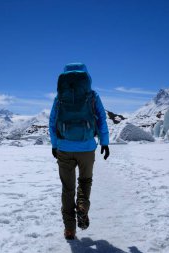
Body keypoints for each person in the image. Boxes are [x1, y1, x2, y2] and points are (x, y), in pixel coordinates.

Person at [49, 63, 110, 240]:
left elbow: (52, 122)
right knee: (85, 181)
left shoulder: (59, 97)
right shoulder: (92, 95)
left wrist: (55, 144)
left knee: (67, 188)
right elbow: (102, 120)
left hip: (64, 148)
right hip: (87, 147)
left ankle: (69, 229)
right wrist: (104, 142)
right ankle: (82, 206)